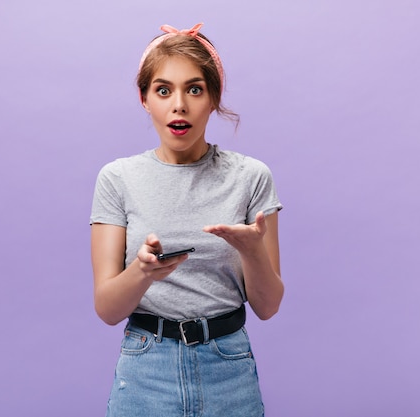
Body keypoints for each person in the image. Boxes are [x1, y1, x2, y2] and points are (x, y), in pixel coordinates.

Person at [90, 23, 284, 417]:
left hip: (228, 366)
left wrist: (252, 251)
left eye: (194, 89)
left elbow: (268, 306)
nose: (179, 104)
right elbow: (108, 310)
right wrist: (142, 272)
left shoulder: (251, 177)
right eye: (163, 90)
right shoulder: (117, 178)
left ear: (213, 98)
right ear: (145, 99)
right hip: (146, 368)